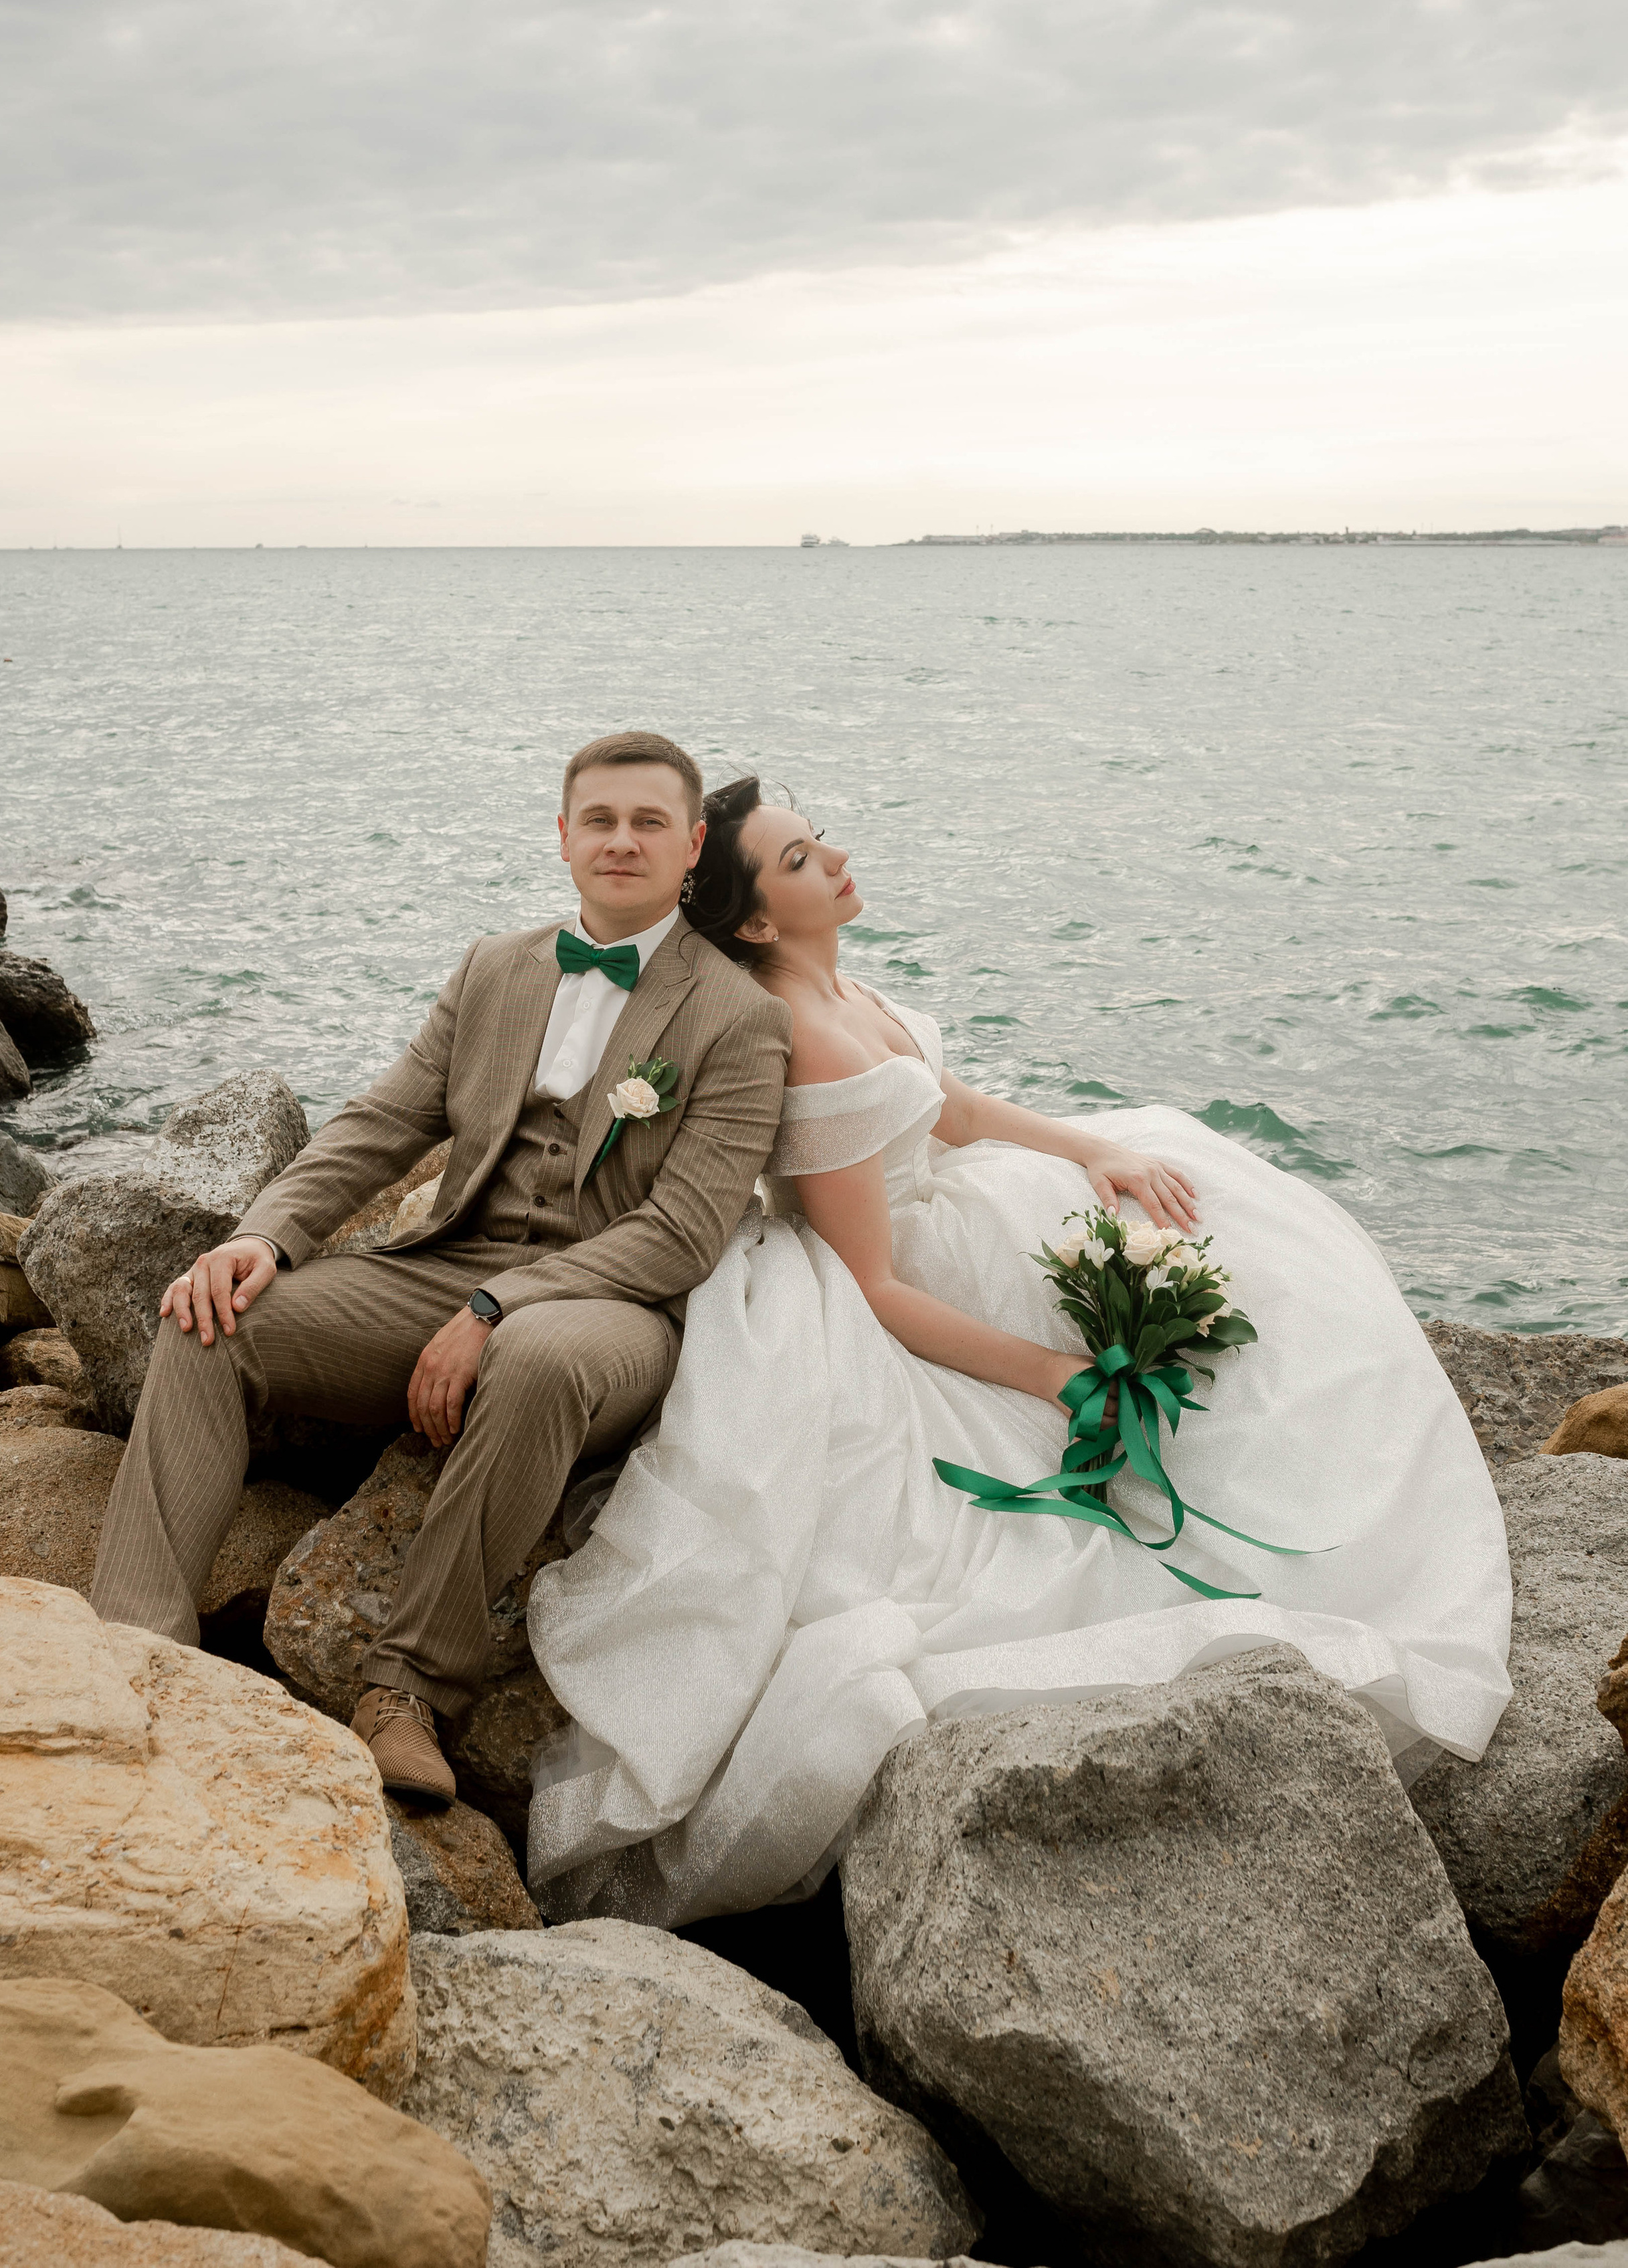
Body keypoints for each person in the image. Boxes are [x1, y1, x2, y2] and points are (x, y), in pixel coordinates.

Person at [525, 775, 1514, 1927]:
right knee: (1189, 1347)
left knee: (1216, 1205)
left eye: (821, 841)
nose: (835, 862)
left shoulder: (842, 986)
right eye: (799, 861)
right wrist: (1051, 1374)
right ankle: (1323, 1505)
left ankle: (1330, 1448)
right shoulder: (804, 1039)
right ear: (754, 922)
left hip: (965, 1204)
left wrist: (1093, 1148)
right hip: (898, 1278)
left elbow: (954, 1109)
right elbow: (879, 1287)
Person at [88, 735, 791, 1805]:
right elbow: (382, 1122)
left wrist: (498, 1305)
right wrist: (262, 1237)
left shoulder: (742, 1017)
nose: (621, 840)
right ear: (562, 838)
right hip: (449, 1264)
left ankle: (410, 1688)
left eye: (650, 822)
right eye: (599, 819)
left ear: (692, 846)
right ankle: (133, 1650)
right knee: (210, 1316)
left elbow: (684, 1233)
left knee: (537, 1361)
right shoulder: (496, 968)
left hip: (612, 1306)